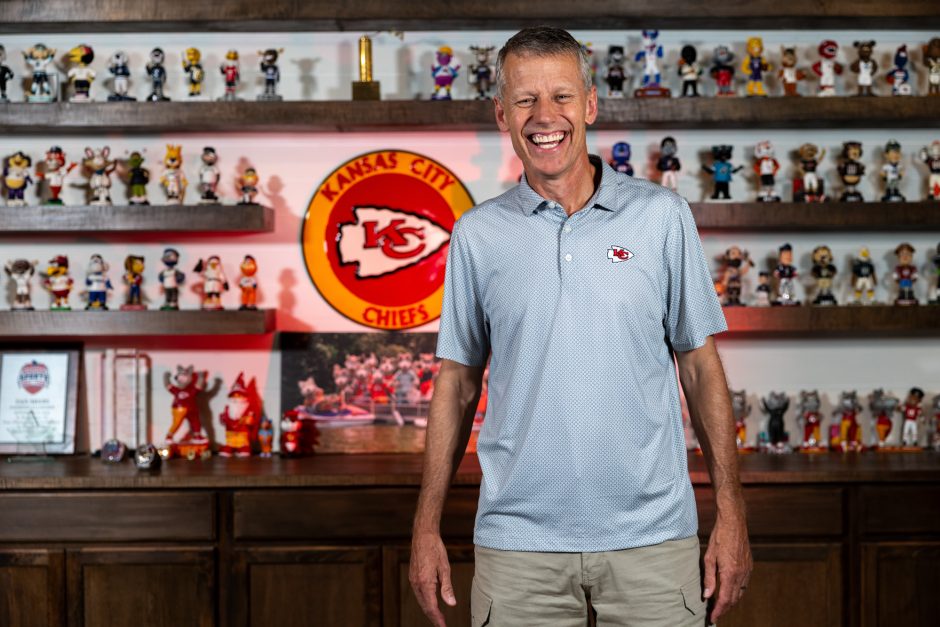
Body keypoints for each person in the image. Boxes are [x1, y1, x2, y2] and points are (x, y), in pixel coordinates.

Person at [410, 27, 751, 627]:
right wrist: (425, 525)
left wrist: (732, 512)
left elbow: (700, 368)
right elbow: (457, 382)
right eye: (525, 100)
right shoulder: (478, 235)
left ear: (590, 105)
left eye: (562, 97)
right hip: (517, 548)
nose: (545, 116)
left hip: (654, 540)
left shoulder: (661, 216)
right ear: (502, 115)